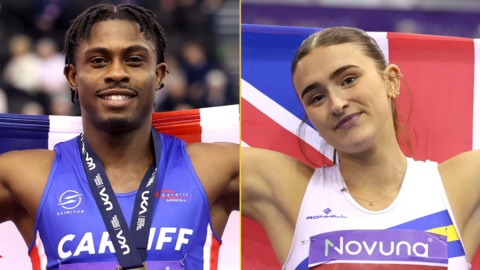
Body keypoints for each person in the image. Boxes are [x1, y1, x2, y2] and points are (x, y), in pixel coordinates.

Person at [0, 4, 238, 270]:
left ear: (158, 75)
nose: (116, 73)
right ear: (73, 76)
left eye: (134, 59)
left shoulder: (216, 167)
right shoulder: (22, 174)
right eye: (99, 60)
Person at [242, 27, 479, 269]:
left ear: (391, 81)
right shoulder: (288, 191)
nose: (337, 104)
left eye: (349, 80)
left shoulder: (461, 183)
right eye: (316, 98)